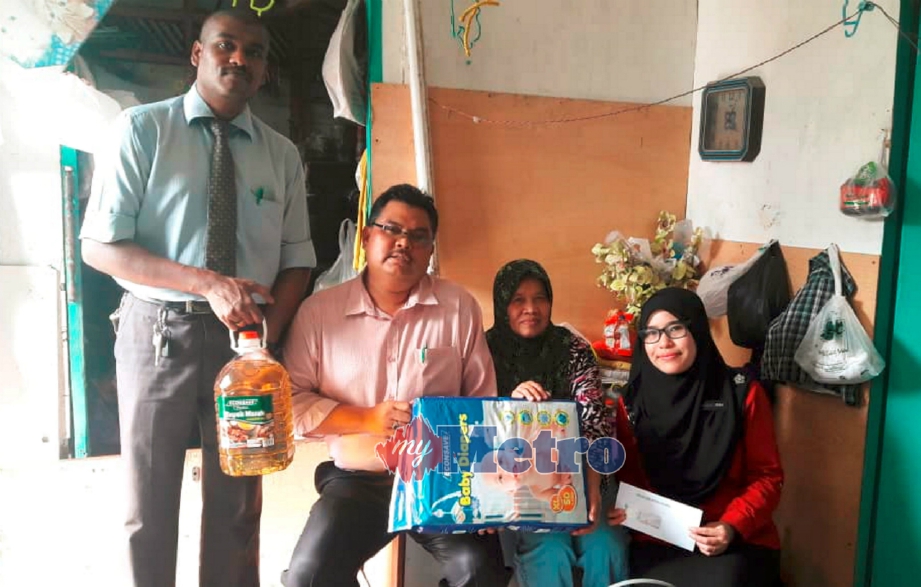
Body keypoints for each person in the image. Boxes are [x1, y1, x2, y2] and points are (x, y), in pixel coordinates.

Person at [79, 10, 315, 587]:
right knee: (150, 500)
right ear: (197, 54)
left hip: (247, 349)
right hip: (159, 332)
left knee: (239, 502)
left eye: (253, 52)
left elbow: (297, 259)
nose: (239, 59)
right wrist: (206, 282)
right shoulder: (142, 130)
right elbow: (100, 247)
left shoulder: (281, 155)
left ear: (263, 70)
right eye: (225, 46)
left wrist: (267, 342)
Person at [280, 184, 508, 587]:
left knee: (478, 569)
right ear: (367, 237)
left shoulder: (458, 308)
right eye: (392, 229)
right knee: (308, 576)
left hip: (440, 478)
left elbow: (482, 404)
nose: (404, 243)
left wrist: (487, 494)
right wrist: (367, 418)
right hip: (358, 480)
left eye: (419, 236)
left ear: (430, 250)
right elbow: (292, 405)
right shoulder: (319, 314)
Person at [607, 287, 784, 587]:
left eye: (675, 329)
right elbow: (631, 480)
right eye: (651, 333)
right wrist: (627, 511)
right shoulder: (632, 403)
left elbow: (767, 477)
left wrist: (730, 526)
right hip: (660, 537)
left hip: (736, 536)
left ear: (697, 330)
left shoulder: (742, 394)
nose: (663, 343)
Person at [485, 259, 629, 587]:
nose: (531, 308)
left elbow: (594, 420)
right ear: (502, 304)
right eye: (518, 299)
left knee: (605, 546)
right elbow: (478, 424)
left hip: (584, 472)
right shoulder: (486, 351)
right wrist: (512, 404)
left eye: (540, 298)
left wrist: (592, 491)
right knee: (550, 551)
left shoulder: (572, 348)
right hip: (522, 482)